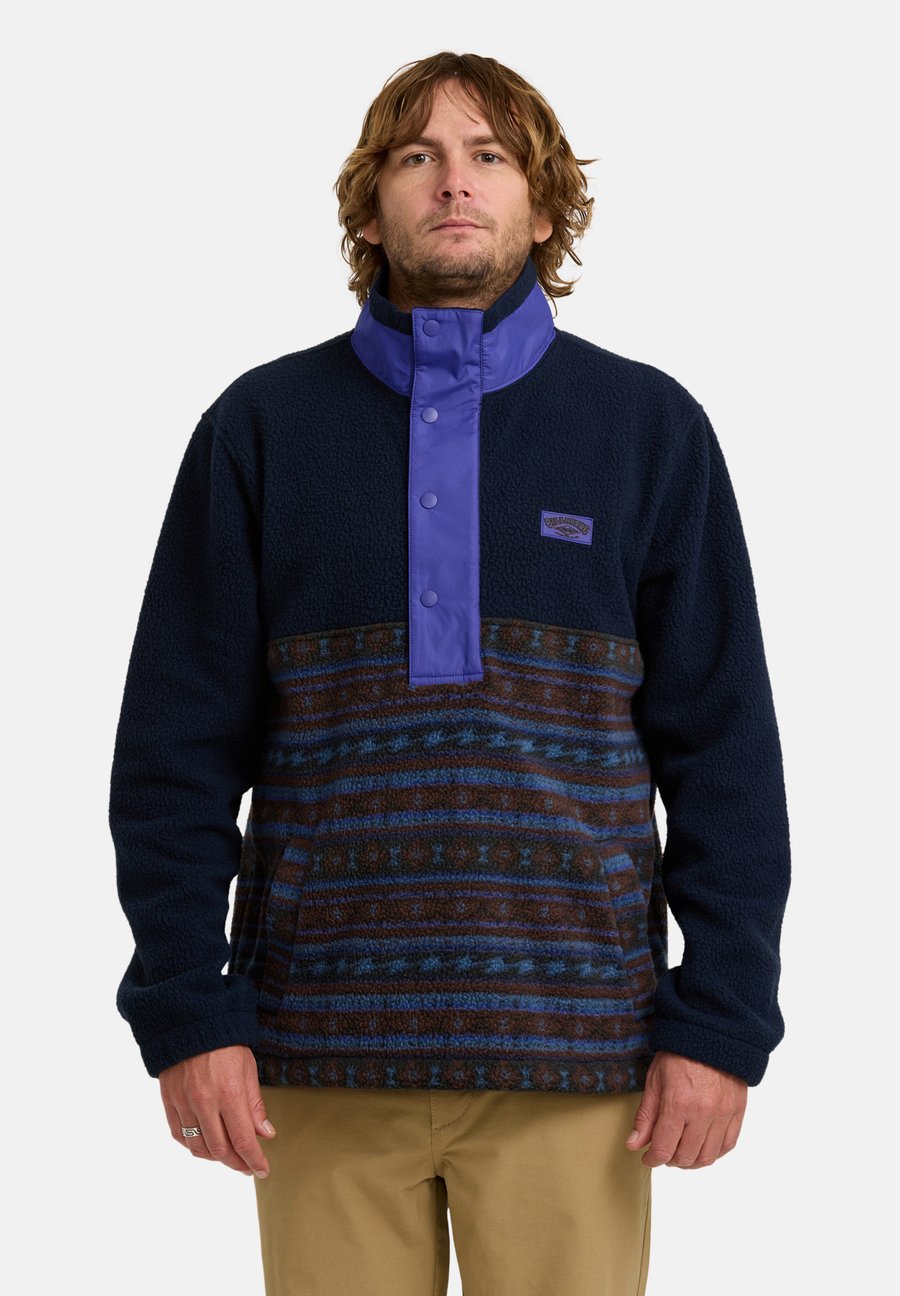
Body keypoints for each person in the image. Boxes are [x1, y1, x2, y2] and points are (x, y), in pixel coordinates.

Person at [109, 50, 791, 1296]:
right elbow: (172, 755)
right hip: (312, 1058)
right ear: (371, 209)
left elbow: (727, 753)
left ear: (545, 206)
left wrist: (724, 1019)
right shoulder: (259, 428)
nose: (454, 183)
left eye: (490, 156)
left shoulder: (649, 430)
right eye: (417, 157)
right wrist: (185, 1009)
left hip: (582, 1056)